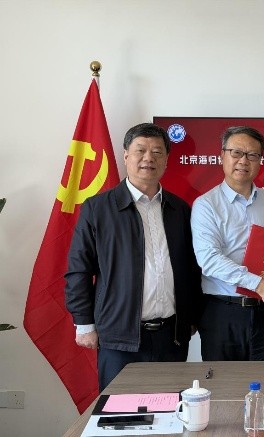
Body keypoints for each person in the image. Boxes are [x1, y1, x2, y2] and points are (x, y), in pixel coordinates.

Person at [65, 122, 203, 391]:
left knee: (170, 409)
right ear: (126, 155)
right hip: (120, 338)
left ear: (167, 160)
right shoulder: (98, 209)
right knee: (120, 411)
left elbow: (192, 269)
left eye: (157, 152)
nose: (148, 158)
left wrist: (191, 317)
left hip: (171, 337)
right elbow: (79, 270)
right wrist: (83, 323)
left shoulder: (179, 209)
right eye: (140, 150)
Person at [191, 126, 264, 361]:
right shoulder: (206, 205)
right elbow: (209, 260)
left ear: (260, 161)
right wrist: (258, 284)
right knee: (224, 383)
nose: (243, 161)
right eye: (236, 152)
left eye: (252, 155)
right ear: (222, 156)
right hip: (223, 314)